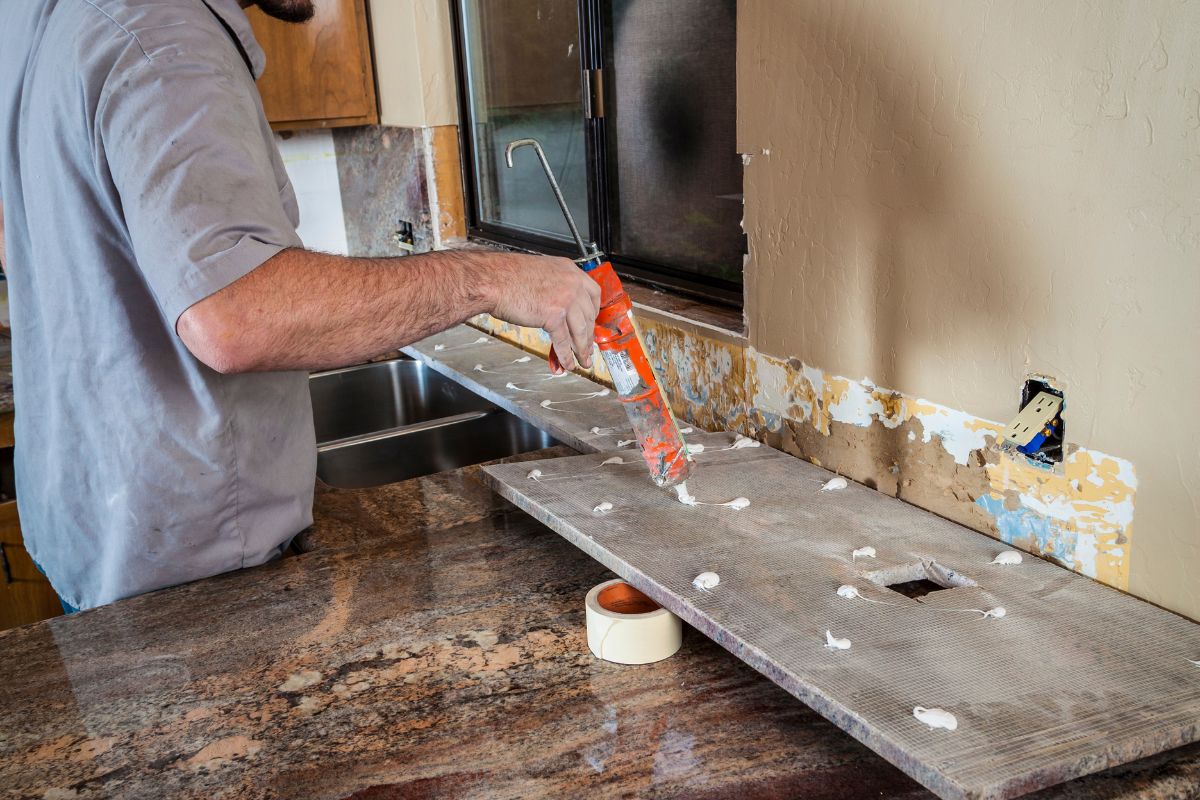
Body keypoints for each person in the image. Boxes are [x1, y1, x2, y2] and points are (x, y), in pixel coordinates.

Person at [0, 0, 600, 611]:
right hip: (189, 574)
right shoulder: (162, 34)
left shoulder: (38, 15)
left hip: (87, 524)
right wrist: (488, 277)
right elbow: (233, 317)